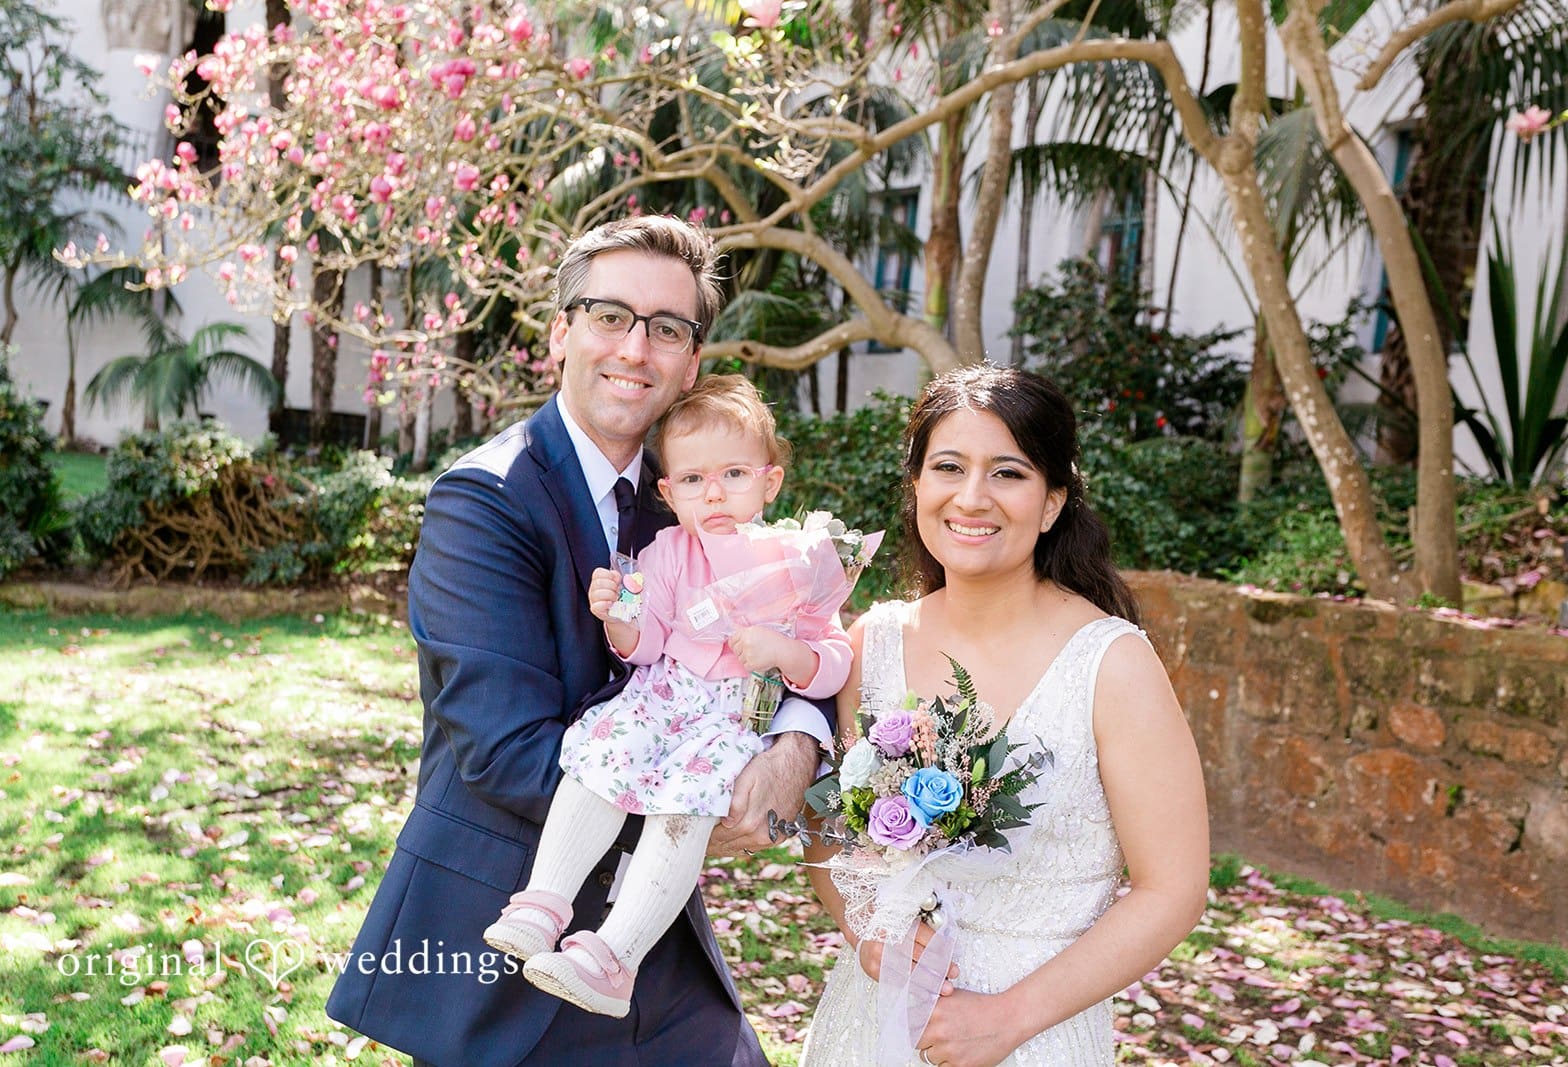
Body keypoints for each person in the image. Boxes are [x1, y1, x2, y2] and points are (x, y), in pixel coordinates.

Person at [326, 217, 830, 1067]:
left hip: (647, 938)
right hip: (505, 942)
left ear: (691, 361)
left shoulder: (699, 498)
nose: (637, 347)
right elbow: (502, 749)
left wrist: (795, 747)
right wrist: (702, 805)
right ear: (562, 330)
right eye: (609, 315)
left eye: (667, 328)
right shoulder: (484, 500)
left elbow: (800, 624)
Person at [800, 364, 1209, 1067]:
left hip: (1034, 1038)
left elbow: (1173, 889)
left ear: (1052, 501)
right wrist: (869, 936)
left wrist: (1008, 1019)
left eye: (1008, 473)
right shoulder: (872, 642)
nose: (971, 496)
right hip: (871, 1023)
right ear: (918, 485)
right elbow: (826, 826)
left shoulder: (1111, 664)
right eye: (949, 466)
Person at [483, 373, 852, 1018]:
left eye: (734, 475)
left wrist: (785, 652)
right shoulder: (667, 550)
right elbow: (644, 642)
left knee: (682, 815)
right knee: (597, 765)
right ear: (668, 491)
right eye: (692, 480)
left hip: (730, 721)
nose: (713, 493)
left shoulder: (800, 561)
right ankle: (542, 902)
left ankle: (615, 956)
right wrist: (617, 613)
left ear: (770, 481)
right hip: (661, 702)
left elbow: (833, 662)